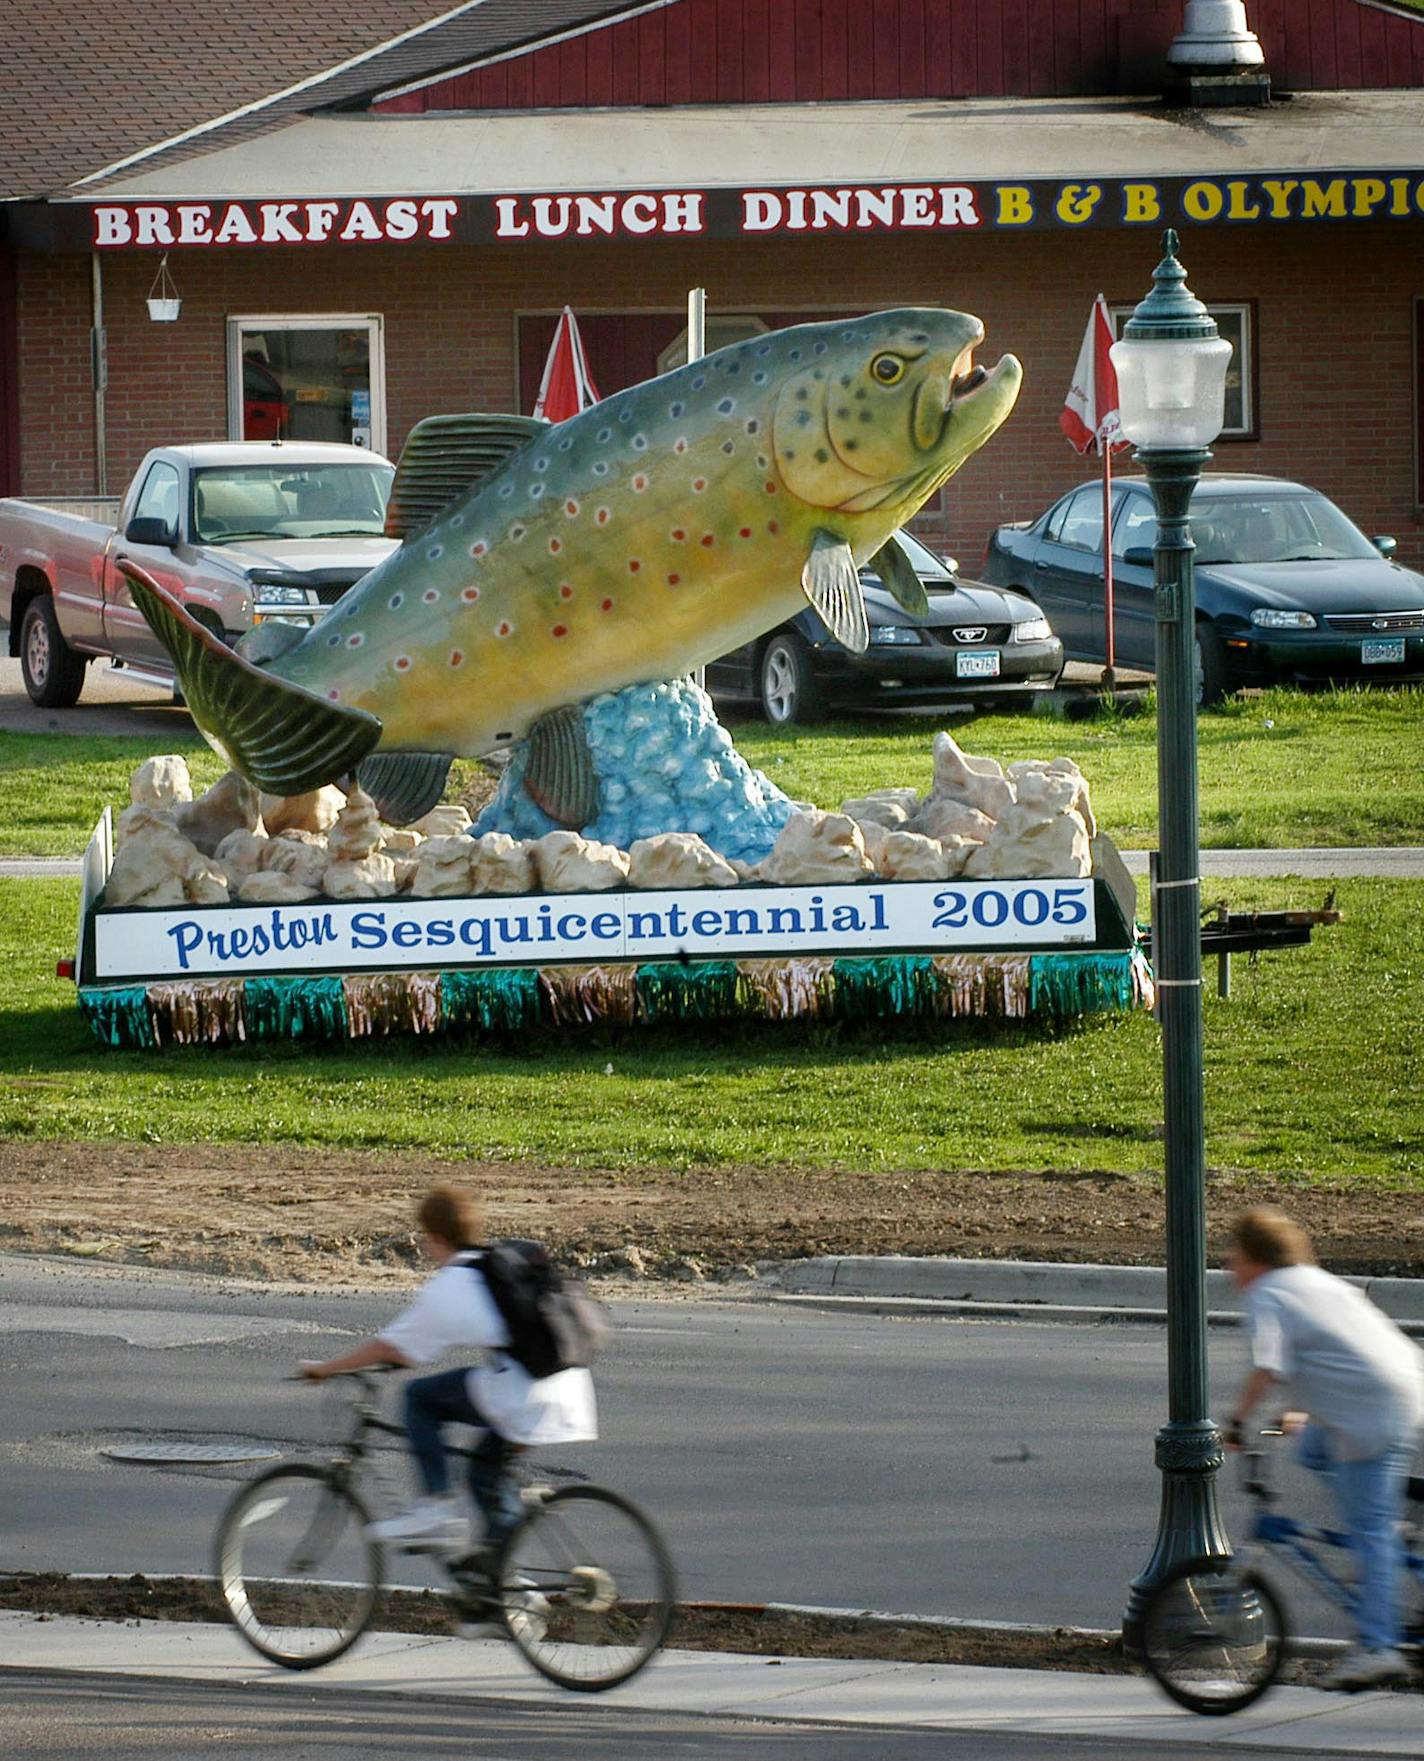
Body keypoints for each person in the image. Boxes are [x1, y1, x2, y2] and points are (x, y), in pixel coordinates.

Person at [299, 1184, 597, 1555]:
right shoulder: (492, 1265)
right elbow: (404, 1351)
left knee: (419, 1398)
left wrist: (325, 1369)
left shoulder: (453, 1283)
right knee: (484, 1477)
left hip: (526, 1394)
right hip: (566, 1388)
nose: (425, 1249)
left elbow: (391, 1347)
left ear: (435, 1236)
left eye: (425, 1239)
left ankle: (435, 1510)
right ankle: (506, 1592)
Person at [1227, 1205, 1424, 1691]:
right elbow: (1338, 1352)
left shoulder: (1268, 1293)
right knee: (1311, 1451)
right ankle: (1385, 1533)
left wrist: (1236, 1422)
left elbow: (1268, 1366)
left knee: (1370, 1529)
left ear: (1255, 1256)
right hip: (1392, 1391)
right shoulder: (1313, 1281)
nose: (1230, 1265)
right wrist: (1305, 1412)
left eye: (1234, 1254)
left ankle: (1377, 1649)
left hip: (1371, 1415)